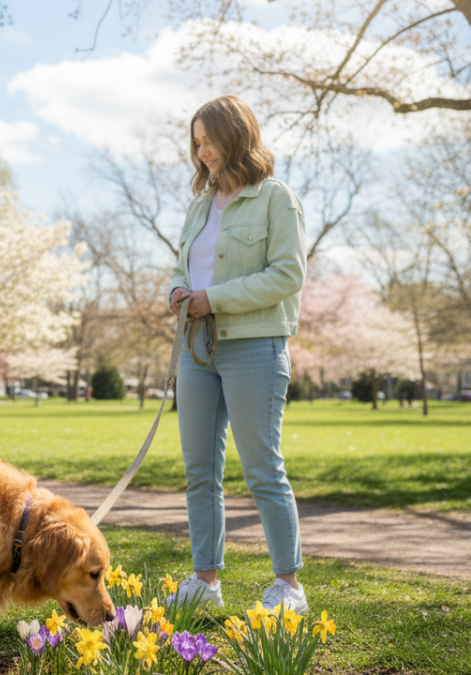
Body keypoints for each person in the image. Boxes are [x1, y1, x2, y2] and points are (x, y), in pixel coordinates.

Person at [166, 95, 308, 614]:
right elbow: (182, 268)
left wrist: (215, 298)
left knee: (262, 469)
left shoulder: (275, 198)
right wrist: (178, 291)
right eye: (196, 142)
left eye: (210, 140)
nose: (202, 151)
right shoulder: (199, 206)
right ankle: (205, 581)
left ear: (236, 136)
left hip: (255, 345)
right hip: (196, 348)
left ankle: (289, 587)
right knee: (199, 470)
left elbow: (287, 275)